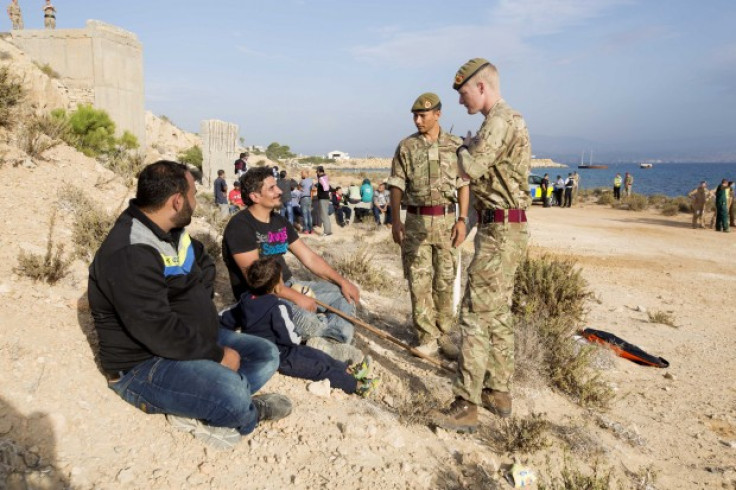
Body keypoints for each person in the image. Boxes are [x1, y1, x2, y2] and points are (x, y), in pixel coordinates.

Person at [88, 161, 291, 449]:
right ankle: (246, 412)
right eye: (194, 194)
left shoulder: (168, 228)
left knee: (266, 353)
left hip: (191, 337)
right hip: (145, 364)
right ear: (177, 201)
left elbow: (203, 262)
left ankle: (202, 400)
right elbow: (157, 330)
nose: (196, 201)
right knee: (230, 390)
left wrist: (197, 303)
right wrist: (217, 354)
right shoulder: (130, 251)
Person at [432, 58, 531, 433]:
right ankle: (498, 391)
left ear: (482, 87)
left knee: (474, 314)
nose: (460, 102)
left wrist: (461, 146)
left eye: (463, 93)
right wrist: (468, 222)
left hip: (501, 234)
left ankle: (465, 403)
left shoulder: (500, 122)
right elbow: (490, 184)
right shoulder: (505, 121)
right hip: (502, 229)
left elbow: (468, 169)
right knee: (498, 314)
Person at [222, 166, 360, 346]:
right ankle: (330, 335)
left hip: (289, 285)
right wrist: (296, 298)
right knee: (307, 321)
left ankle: (332, 340)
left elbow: (309, 258)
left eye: (277, 186)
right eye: (271, 188)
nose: (279, 191)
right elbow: (258, 280)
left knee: (344, 296)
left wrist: (342, 281)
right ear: (255, 196)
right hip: (261, 296)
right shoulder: (240, 226)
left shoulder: (279, 221)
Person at [220, 257, 379, 397]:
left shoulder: (245, 301)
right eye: (281, 279)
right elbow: (290, 337)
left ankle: (348, 370)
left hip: (268, 349)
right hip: (282, 355)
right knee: (318, 367)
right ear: (276, 287)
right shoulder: (278, 307)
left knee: (318, 356)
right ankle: (356, 385)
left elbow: (226, 317)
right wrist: (297, 339)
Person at [387, 92, 468, 360]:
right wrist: (396, 220)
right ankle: (427, 337)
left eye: (422, 115)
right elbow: (397, 184)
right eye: (415, 115)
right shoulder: (406, 147)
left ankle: (445, 335)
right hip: (415, 221)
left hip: (446, 221)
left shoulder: (456, 145)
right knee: (418, 280)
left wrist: (462, 219)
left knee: (445, 279)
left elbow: (463, 184)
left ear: (438, 114)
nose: (417, 120)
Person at [315, 166, 334, 236]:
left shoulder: (321, 178)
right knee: (325, 215)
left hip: (323, 198)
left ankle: (326, 232)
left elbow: (326, 187)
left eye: (317, 172)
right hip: (326, 198)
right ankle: (329, 231)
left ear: (319, 171)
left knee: (323, 215)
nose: (316, 173)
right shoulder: (325, 177)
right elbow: (328, 187)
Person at [298, 170, 314, 234]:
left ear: (305, 174)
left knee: (305, 214)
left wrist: (300, 188)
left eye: (302, 173)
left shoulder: (302, 181)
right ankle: (311, 229)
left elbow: (298, 187)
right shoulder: (311, 180)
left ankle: (306, 229)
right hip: (309, 198)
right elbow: (312, 188)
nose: (301, 175)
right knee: (309, 214)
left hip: (304, 198)